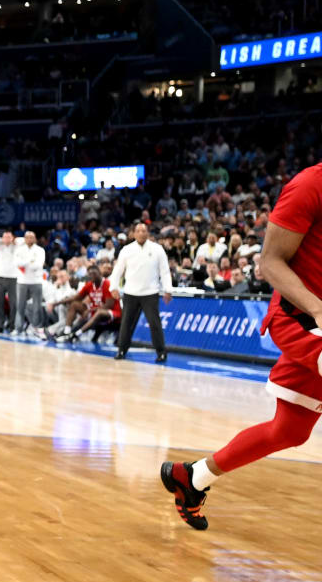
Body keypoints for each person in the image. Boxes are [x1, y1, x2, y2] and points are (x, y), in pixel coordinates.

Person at [162, 161, 322, 531]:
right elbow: (270, 263)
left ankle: (194, 477)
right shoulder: (308, 186)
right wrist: (317, 308)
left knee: (290, 430)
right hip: (300, 318)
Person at [113, 221, 172, 363]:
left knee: (155, 323)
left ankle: (161, 352)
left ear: (148, 233)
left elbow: (165, 271)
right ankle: (121, 350)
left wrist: (168, 289)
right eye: (138, 231)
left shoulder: (157, 249)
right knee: (126, 324)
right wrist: (113, 287)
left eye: (144, 231)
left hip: (150, 292)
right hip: (131, 292)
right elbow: (118, 270)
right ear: (133, 233)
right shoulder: (126, 250)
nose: (141, 233)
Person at [14, 230, 47, 335]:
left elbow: (38, 265)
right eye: (27, 237)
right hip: (22, 281)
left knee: (37, 306)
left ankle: (36, 328)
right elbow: (17, 263)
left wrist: (25, 263)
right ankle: (18, 328)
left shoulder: (40, 250)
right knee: (20, 306)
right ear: (24, 239)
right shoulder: (19, 250)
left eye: (31, 237)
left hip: (36, 281)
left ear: (35, 239)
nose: (29, 239)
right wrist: (30, 261)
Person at [0, 230, 19, 331]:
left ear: (13, 238)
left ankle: (12, 325)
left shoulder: (16, 246)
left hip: (13, 278)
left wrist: (13, 241)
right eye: (5, 237)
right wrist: (2, 240)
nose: (7, 239)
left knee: (13, 303)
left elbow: (22, 241)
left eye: (9, 237)